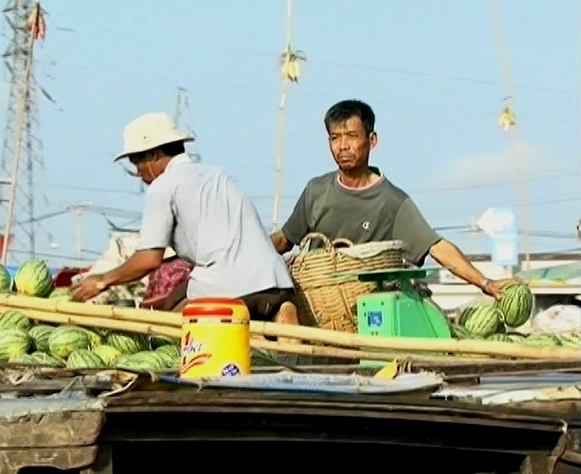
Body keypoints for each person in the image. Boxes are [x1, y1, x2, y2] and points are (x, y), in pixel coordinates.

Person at [71, 112, 299, 324]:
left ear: (152, 155)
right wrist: (172, 298)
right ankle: (281, 312)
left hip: (232, 292)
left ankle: (246, 332)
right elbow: (222, 256)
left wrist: (102, 280)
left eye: (136, 163)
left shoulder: (163, 186)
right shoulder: (218, 175)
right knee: (183, 306)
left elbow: (148, 259)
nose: (138, 174)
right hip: (276, 282)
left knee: (176, 333)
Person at [270, 99, 511, 298]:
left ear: (372, 140)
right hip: (318, 302)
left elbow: (436, 247)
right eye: (335, 137)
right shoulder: (316, 191)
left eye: (351, 136)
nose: (343, 146)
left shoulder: (392, 201)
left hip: (368, 310)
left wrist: (486, 282)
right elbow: (284, 240)